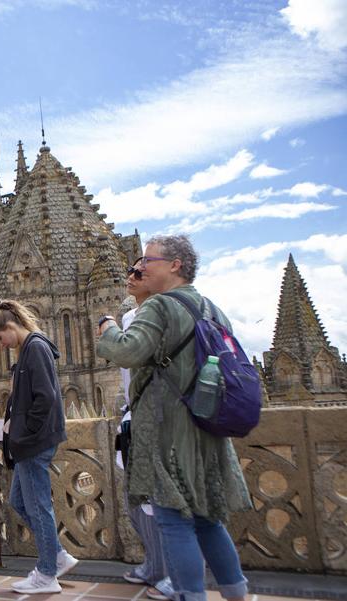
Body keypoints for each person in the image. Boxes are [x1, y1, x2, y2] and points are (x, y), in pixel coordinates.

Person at [97, 234, 251, 601]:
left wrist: (107, 327)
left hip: (168, 428)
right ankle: (237, 593)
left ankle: (188, 594)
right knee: (207, 517)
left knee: (171, 517)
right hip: (208, 422)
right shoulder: (211, 307)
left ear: (175, 265)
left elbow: (128, 351)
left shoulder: (160, 307)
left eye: (147, 260)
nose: (140, 266)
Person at [0, 300, 78, 594]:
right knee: (20, 502)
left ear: (9, 327)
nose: (1, 346)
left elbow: (45, 398)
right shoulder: (29, 349)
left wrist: (23, 431)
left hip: (34, 442)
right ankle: (57, 555)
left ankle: (47, 573)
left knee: (38, 506)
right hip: (30, 441)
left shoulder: (35, 347)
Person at [119, 261, 172, 601]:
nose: (130, 277)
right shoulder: (127, 318)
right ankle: (153, 564)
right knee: (136, 500)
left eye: (138, 273)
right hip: (131, 418)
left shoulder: (166, 315)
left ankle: (174, 575)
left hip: (161, 420)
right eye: (131, 272)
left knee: (165, 505)